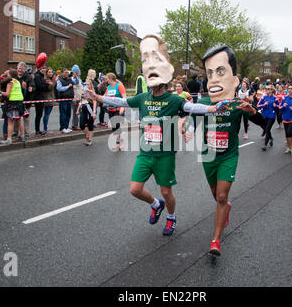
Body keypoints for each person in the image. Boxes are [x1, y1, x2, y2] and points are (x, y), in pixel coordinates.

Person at [87, 35, 226, 237]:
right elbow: (122, 102)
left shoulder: (173, 100)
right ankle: (155, 204)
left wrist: (212, 109)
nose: (151, 84)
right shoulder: (143, 98)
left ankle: (171, 218)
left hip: (165, 154)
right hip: (146, 153)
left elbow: (191, 107)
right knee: (135, 189)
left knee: (166, 191)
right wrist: (98, 97)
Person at [185, 45, 258, 256]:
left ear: (233, 80)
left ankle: (215, 240)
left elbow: (261, 121)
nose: (214, 79)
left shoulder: (238, 103)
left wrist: (252, 111)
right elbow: (193, 118)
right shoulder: (205, 102)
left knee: (221, 197)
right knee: (215, 195)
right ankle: (225, 208)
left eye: (220, 72)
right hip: (209, 156)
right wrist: (188, 130)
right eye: (210, 74)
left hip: (228, 156)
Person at [0, 69, 26, 144]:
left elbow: (7, 94)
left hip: (13, 102)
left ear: (10, 75)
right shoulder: (17, 82)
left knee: (10, 122)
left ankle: (9, 139)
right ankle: (23, 136)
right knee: (19, 121)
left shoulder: (10, 83)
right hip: (20, 102)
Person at [104, 73, 127, 150]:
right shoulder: (109, 87)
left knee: (117, 126)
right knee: (114, 128)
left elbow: (124, 98)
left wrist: (122, 108)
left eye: (107, 79)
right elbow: (106, 97)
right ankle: (118, 143)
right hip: (110, 109)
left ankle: (122, 142)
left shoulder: (119, 85)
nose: (106, 80)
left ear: (110, 79)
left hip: (118, 109)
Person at [77, 79, 97, 146]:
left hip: (90, 110)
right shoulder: (84, 93)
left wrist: (94, 112)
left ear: (91, 85)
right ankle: (88, 134)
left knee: (90, 125)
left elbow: (94, 102)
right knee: (81, 125)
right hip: (84, 109)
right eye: (85, 84)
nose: (86, 86)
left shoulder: (92, 93)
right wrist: (78, 110)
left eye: (88, 84)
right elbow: (81, 102)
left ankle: (90, 140)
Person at [258, 85, 278, 150]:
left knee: (267, 129)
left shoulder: (275, 98)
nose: (267, 90)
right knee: (266, 129)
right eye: (266, 89)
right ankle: (271, 138)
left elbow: (279, 107)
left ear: (272, 90)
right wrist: (263, 105)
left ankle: (265, 145)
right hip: (264, 116)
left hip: (272, 116)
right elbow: (258, 106)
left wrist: (275, 106)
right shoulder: (263, 97)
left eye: (268, 89)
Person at [16, 62, 33, 138]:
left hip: (26, 100)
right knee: (16, 117)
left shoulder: (28, 77)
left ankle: (26, 132)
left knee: (26, 118)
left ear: (25, 69)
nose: (19, 70)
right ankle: (15, 132)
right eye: (18, 68)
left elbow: (33, 86)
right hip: (16, 100)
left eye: (21, 69)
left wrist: (31, 88)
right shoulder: (14, 77)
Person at [56, 68, 74, 134]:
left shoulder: (70, 79)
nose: (67, 74)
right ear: (62, 73)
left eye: (67, 72)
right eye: (65, 72)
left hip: (69, 98)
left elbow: (76, 82)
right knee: (63, 114)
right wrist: (67, 87)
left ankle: (66, 127)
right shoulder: (59, 80)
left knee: (68, 114)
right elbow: (59, 89)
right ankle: (62, 127)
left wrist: (76, 75)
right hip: (63, 99)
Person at [33, 64, 49, 136]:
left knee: (40, 114)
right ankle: (37, 130)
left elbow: (45, 88)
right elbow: (40, 86)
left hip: (41, 97)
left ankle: (38, 130)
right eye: (42, 68)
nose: (43, 70)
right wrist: (46, 84)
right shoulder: (37, 76)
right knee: (38, 114)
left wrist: (46, 85)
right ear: (39, 69)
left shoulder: (42, 76)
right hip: (38, 97)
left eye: (44, 68)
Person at [42, 68, 57, 135]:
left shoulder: (51, 80)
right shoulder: (46, 80)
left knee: (48, 114)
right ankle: (45, 129)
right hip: (47, 99)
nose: (50, 73)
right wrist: (54, 82)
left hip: (51, 98)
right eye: (49, 72)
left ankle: (46, 128)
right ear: (46, 73)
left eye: (51, 72)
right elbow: (49, 88)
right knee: (46, 114)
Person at [71, 65, 83, 131]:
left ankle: (77, 124)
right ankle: (75, 125)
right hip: (76, 98)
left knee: (79, 112)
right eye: (78, 71)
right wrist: (74, 99)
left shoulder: (78, 78)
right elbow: (74, 90)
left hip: (80, 98)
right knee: (75, 112)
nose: (79, 71)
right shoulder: (73, 79)